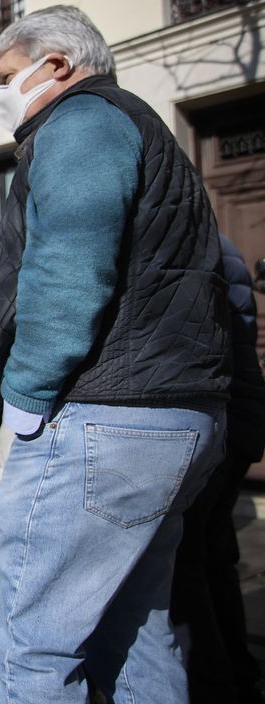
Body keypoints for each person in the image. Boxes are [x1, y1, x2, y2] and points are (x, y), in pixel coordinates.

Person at [0, 5, 230, 703]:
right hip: (165, 416)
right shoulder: (137, 128)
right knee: (136, 637)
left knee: (28, 647)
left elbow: (70, 269)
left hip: (103, 417)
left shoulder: (81, 122)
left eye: (5, 76)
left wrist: (25, 400)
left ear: (56, 65)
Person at [170, 234, 265, 703]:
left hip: (212, 422)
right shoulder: (220, 244)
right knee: (215, 559)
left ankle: (214, 685)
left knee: (188, 566)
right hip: (237, 418)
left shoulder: (189, 243)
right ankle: (238, 673)